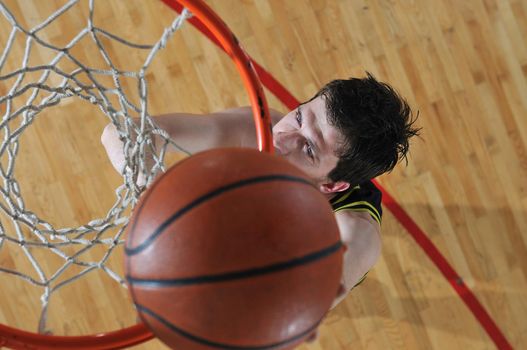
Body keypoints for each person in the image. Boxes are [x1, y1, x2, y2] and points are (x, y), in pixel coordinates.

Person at [101, 72, 420, 340]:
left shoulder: (353, 234)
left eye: (307, 148)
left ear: (331, 185)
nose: (281, 140)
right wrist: (151, 185)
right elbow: (119, 133)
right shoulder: (256, 130)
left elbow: (275, 316)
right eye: (298, 117)